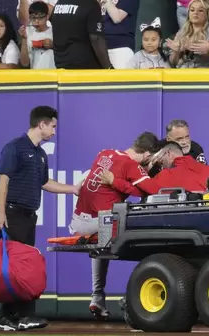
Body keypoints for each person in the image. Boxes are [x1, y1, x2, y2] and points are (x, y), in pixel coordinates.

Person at [0, 106, 80, 331]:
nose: (54, 131)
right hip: (13, 214)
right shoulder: (14, 148)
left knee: (21, 267)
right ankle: (12, 318)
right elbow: (4, 181)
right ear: (41, 124)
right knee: (16, 267)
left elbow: (45, 183)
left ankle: (15, 318)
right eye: (52, 126)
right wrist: (1, 213)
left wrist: (73, 189)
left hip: (28, 217)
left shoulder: (41, 154)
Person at [69, 132, 160, 320]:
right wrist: (117, 183)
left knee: (101, 250)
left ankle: (97, 298)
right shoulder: (131, 165)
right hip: (102, 224)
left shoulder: (105, 152)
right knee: (146, 232)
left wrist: (115, 183)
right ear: (147, 155)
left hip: (77, 222)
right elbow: (153, 190)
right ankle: (134, 298)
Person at [50, 0, 113, 69]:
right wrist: (108, 67)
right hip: (84, 67)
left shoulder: (59, 4)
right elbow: (96, 38)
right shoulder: (90, 4)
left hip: (61, 65)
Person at [99, 141, 209, 195]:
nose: (159, 164)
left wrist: (114, 181)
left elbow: (144, 189)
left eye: (160, 158)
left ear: (168, 153)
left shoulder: (166, 176)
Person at [19, 1, 56, 69]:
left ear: (47, 16)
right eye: (33, 18)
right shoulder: (27, 33)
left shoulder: (54, 32)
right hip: (35, 76)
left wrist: (53, 46)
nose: (36, 21)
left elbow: (65, 54)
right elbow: (24, 63)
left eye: (40, 17)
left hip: (53, 75)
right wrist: (24, 39)